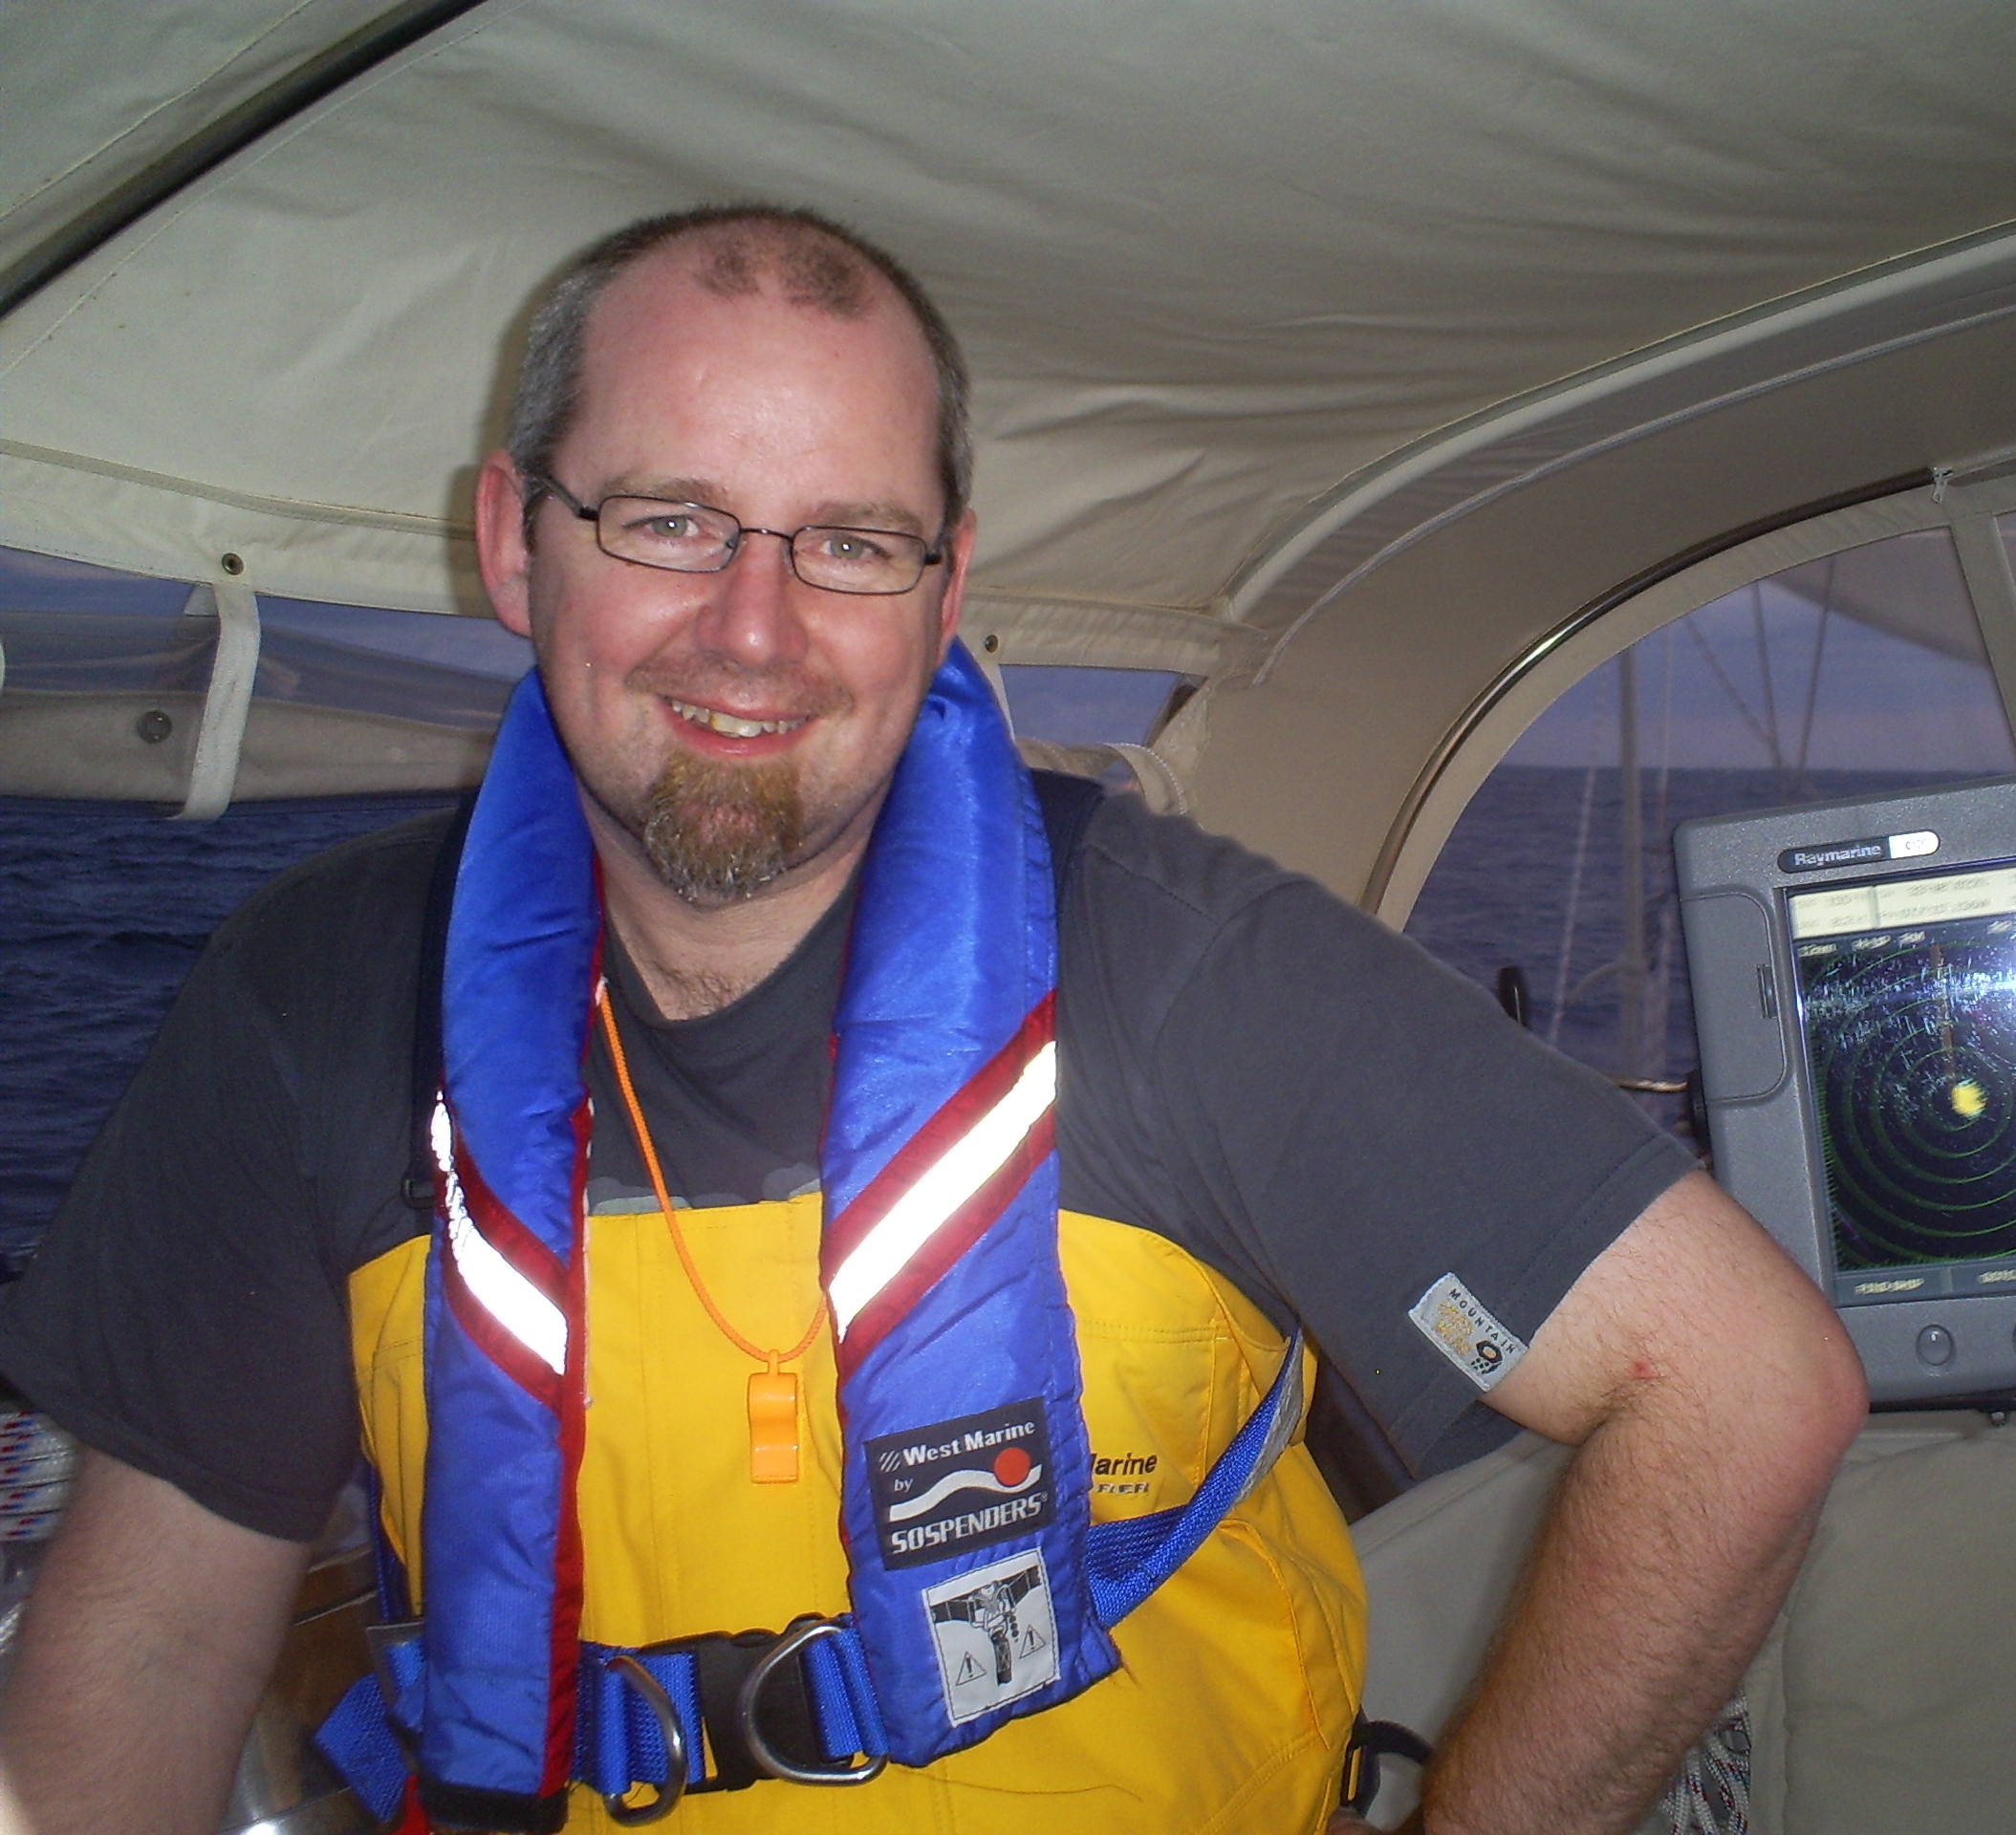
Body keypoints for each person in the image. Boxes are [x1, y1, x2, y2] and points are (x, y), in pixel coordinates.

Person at [0, 205, 1864, 1835]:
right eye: (670, 520)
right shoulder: (309, 1003)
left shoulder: (1190, 978)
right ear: (512, 540)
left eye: (849, 543)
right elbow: (157, 1628)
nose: (753, 629)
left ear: (945, 587)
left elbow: (1736, 1388)